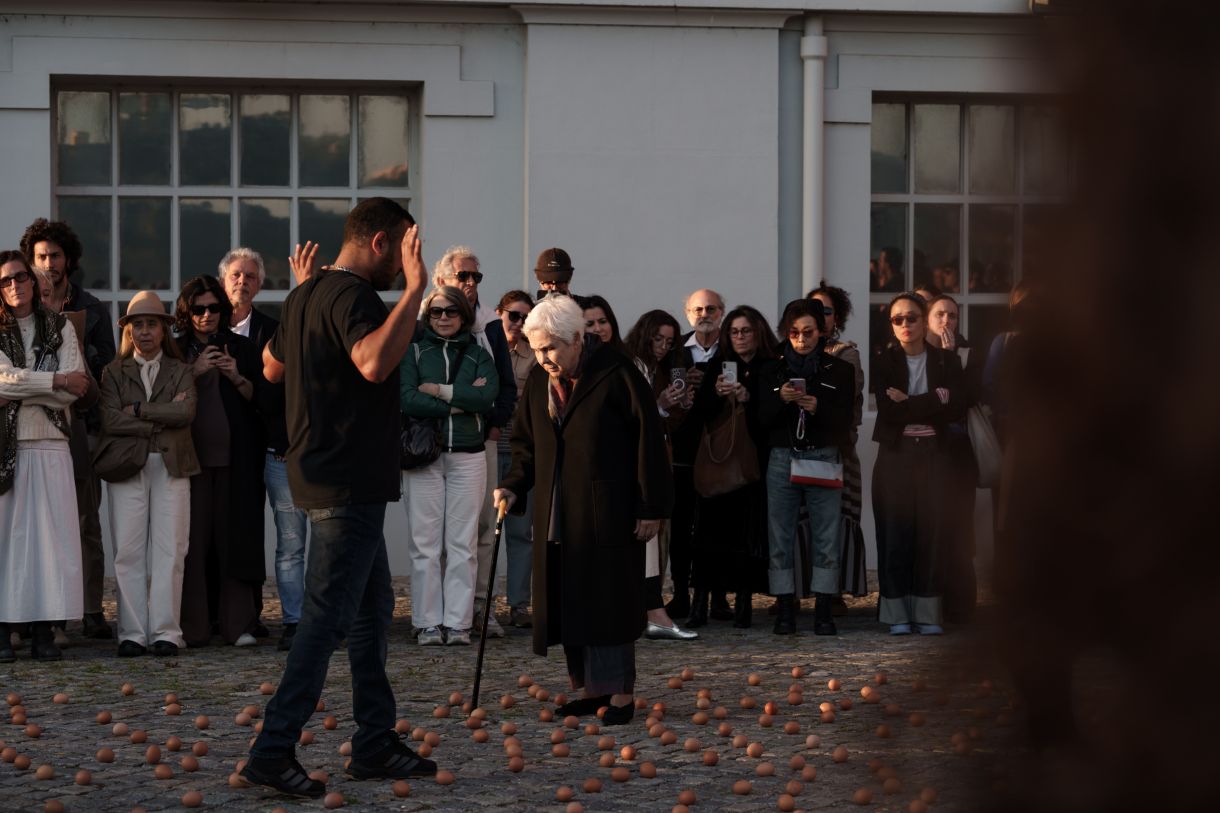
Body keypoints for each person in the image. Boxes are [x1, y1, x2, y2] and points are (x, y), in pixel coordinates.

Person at [241, 198, 435, 798]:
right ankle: (273, 749)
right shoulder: (355, 297)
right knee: (324, 622)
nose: (404, 262)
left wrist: (305, 302)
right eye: (403, 249)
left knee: (373, 613)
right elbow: (374, 363)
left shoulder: (307, 294)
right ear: (380, 243)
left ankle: (374, 741)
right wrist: (415, 292)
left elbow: (272, 370)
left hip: (326, 477)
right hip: (345, 483)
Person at [495, 295, 672, 726]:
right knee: (570, 596)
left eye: (551, 347)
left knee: (607, 599)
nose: (543, 357)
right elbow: (526, 443)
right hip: (558, 507)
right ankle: (592, 690)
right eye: (536, 348)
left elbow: (649, 441)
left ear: (577, 338)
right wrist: (514, 486)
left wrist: (650, 506)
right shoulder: (540, 380)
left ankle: (620, 696)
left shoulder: (618, 372)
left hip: (608, 506)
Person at [21, 218, 116, 642]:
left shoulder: (92, 307)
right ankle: (39, 613)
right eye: (40, 256)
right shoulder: (14, 311)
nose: (48, 264)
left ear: (68, 258)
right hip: (30, 428)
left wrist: (73, 344)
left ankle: (91, 608)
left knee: (85, 520)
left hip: (82, 424)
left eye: (54, 255)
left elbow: (106, 371)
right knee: (35, 523)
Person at [0, 251, 90, 662]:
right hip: (8, 446)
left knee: (51, 544)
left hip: (52, 442)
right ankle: (3, 633)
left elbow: (77, 387)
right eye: (4, 281)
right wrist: (52, 379)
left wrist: (21, 388)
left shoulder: (60, 327)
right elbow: (3, 380)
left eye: (20, 277)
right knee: (7, 544)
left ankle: (43, 632)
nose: (14, 286)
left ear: (33, 283)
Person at [98, 291, 198, 657]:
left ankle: (167, 632)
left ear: (163, 330)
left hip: (172, 465)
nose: (144, 331)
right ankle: (132, 632)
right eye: (137, 324)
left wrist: (138, 410)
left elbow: (186, 415)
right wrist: (160, 418)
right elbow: (110, 419)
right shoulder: (112, 372)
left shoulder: (183, 370)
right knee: (127, 549)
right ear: (128, 330)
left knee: (171, 549)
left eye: (151, 324)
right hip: (128, 464)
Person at [400, 286, 498, 646]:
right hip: (424, 456)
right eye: (437, 311)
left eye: (451, 312)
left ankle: (458, 622)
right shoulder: (413, 351)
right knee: (424, 543)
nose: (443, 318)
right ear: (428, 316)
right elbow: (407, 398)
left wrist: (439, 392)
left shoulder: (477, 354)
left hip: (468, 456)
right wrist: (461, 400)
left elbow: (488, 397)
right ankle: (427, 621)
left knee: (463, 542)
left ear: (463, 317)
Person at [221, 247, 306, 651]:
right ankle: (242, 615)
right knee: (239, 533)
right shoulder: (209, 328)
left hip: (275, 448)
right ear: (224, 281)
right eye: (236, 275)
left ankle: (295, 620)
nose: (243, 281)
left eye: (250, 276)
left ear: (260, 284)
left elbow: (285, 393)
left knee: (291, 539)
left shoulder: (274, 330)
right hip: (226, 453)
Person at [430, 246, 516, 640]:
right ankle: (443, 610)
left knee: (483, 527)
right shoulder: (428, 321)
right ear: (442, 280)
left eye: (475, 277)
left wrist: (495, 426)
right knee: (439, 531)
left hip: (480, 441)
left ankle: (480, 607)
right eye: (462, 276)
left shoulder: (491, 326)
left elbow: (505, 386)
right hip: (435, 442)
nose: (469, 283)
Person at [174, 275, 265, 648]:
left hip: (235, 462)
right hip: (189, 463)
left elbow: (261, 401)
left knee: (234, 541)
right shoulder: (176, 351)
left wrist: (235, 375)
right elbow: (167, 399)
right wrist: (193, 373)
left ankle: (237, 625)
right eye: (199, 309)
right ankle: (192, 628)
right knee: (191, 544)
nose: (207, 315)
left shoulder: (241, 347)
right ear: (187, 312)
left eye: (213, 308)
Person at [758, 299, 853, 635]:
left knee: (826, 535)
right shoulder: (770, 369)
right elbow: (758, 419)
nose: (801, 338)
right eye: (794, 332)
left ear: (820, 331)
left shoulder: (839, 370)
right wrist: (779, 399)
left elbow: (847, 423)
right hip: (782, 457)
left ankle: (824, 609)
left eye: (808, 332)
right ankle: (785, 608)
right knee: (779, 536)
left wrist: (818, 408)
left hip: (822, 456)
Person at [871, 293, 964, 635]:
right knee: (895, 533)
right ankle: (897, 614)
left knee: (932, 531)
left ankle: (927, 614)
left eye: (912, 318)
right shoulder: (884, 361)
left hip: (935, 453)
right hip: (896, 455)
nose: (906, 325)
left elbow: (954, 406)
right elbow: (889, 411)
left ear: (925, 321)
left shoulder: (946, 361)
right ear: (892, 326)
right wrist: (932, 399)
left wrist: (909, 400)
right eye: (898, 319)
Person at [623, 309, 697, 641]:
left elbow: (667, 426)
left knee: (651, 539)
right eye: (658, 339)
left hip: (657, 460)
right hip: (630, 463)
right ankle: (650, 610)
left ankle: (652, 609)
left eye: (669, 342)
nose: (663, 346)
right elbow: (632, 418)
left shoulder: (662, 370)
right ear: (645, 334)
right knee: (642, 535)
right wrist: (659, 405)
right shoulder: (629, 365)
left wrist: (678, 406)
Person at [709, 305, 779, 628]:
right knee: (723, 530)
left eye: (745, 331)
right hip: (725, 463)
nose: (739, 337)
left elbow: (772, 416)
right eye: (734, 331)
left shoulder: (771, 365)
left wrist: (749, 398)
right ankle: (718, 598)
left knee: (758, 531)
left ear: (758, 332)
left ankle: (750, 599)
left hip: (760, 460)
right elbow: (702, 417)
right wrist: (717, 394)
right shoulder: (719, 366)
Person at [669, 289, 729, 624]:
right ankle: (680, 593)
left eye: (711, 308)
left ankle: (719, 595)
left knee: (718, 525)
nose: (704, 314)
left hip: (721, 448)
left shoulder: (732, 346)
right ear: (687, 313)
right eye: (697, 309)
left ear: (722, 311)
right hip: (683, 448)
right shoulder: (676, 349)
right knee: (680, 526)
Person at [808, 283, 868, 603]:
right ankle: (793, 590)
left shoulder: (847, 354)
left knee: (837, 522)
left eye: (826, 310)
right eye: (814, 310)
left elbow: (842, 397)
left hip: (839, 451)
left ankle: (832, 593)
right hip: (799, 449)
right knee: (799, 521)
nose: (820, 316)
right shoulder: (789, 349)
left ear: (837, 317)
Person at [926, 294, 982, 622]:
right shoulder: (919, 355)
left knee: (960, 528)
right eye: (940, 315)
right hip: (928, 451)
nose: (947, 321)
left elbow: (965, 399)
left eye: (952, 315)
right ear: (929, 319)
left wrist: (950, 361)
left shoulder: (969, 354)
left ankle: (962, 605)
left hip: (959, 453)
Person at [494, 290, 537, 628]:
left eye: (525, 317)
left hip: (523, 452)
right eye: (514, 316)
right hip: (488, 451)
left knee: (521, 533)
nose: (519, 324)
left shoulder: (535, 355)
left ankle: (519, 605)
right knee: (482, 532)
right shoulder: (485, 347)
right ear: (500, 313)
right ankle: (480, 606)